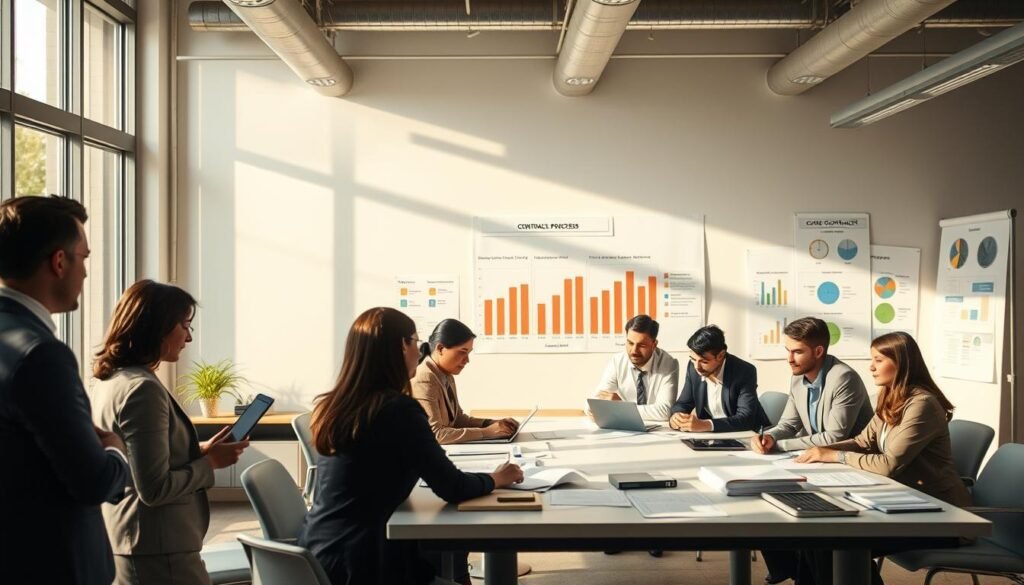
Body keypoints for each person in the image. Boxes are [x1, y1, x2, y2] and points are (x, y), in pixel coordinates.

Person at [299, 307, 523, 585]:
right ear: (400, 347)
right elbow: (452, 487)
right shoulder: (397, 410)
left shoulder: (335, 405)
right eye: (416, 342)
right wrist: (497, 478)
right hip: (366, 566)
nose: (420, 351)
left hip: (319, 555)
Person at [0, 195, 129, 585]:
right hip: (52, 565)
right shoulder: (42, 355)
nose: (86, 273)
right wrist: (115, 452)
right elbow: (92, 480)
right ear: (59, 262)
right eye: (84, 258)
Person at [90, 280, 250, 585]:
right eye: (184, 325)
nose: (189, 337)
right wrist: (211, 464)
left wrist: (199, 451)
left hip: (137, 544)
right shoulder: (142, 389)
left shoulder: (112, 381)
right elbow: (153, 488)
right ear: (158, 326)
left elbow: (139, 462)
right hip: (159, 551)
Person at [785, 332, 971, 585]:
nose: (871, 367)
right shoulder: (892, 395)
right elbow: (863, 442)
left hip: (941, 516)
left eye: (879, 360)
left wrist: (835, 455)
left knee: (831, 541)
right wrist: (817, 452)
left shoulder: (922, 404)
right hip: (904, 504)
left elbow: (888, 464)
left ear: (902, 363)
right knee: (815, 537)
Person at [751, 317, 872, 453]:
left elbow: (834, 438)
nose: (789, 359)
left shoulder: (844, 378)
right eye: (788, 351)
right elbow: (789, 424)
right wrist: (769, 437)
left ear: (818, 352)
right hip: (818, 457)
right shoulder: (798, 378)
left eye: (797, 352)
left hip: (850, 460)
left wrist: (779, 445)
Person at [412, 318, 518, 444]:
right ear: (440, 349)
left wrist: (491, 423)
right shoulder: (424, 378)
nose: (467, 360)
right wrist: (487, 432)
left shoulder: (446, 374)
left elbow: (458, 420)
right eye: (462, 352)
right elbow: (435, 434)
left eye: (468, 353)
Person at [669, 325, 768, 433]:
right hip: (714, 438)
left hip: (751, 436)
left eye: (704, 362)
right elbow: (683, 403)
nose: (697, 367)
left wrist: (705, 425)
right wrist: (677, 417)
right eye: (693, 359)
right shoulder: (693, 367)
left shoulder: (744, 371)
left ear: (721, 355)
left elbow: (745, 419)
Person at [591, 314, 680, 421]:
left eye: (641, 345)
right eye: (630, 343)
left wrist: (622, 407)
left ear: (654, 344)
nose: (634, 351)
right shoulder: (617, 361)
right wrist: (621, 409)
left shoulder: (669, 364)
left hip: (656, 430)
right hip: (624, 426)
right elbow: (593, 404)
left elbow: (665, 411)